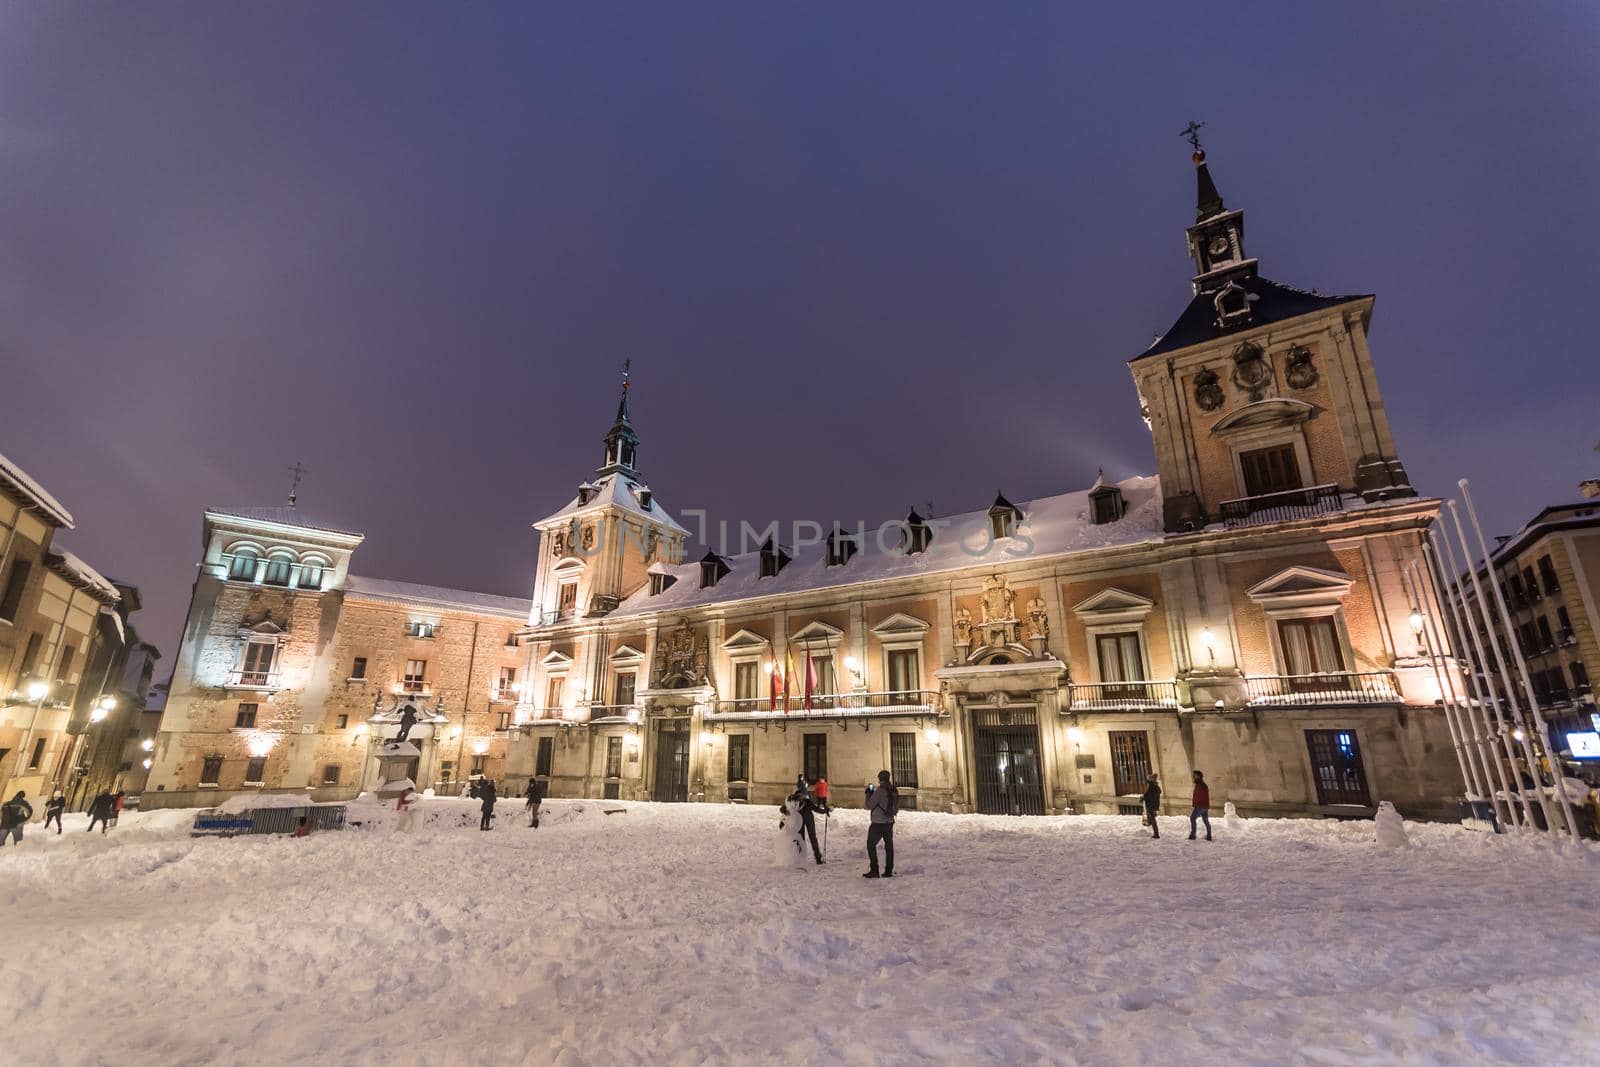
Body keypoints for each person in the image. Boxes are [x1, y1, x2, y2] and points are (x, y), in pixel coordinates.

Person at [864, 770, 897, 878]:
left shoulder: (880, 791)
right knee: (889, 846)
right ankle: (889, 870)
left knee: (870, 844)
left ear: (880, 778)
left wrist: (869, 794)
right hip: (890, 821)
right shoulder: (893, 789)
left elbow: (870, 804)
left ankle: (874, 870)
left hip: (878, 822)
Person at [787, 779, 824, 865]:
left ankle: (801, 857)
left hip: (800, 821)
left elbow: (783, 809)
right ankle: (817, 857)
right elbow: (816, 809)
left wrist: (825, 811)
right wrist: (825, 811)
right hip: (806, 820)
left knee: (801, 839)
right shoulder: (802, 802)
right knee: (810, 838)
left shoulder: (795, 802)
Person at [1189, 770, 1212, 841]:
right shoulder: (1200, 784)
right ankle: (1209, 836)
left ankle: (1193, 835)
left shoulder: (1201, 785)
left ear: (1199, 776)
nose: (1193, 776)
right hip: (1204, 806)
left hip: (1200, 806)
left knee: (1192, 818)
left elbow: (1200, 796)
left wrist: (1197, 806)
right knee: (1205, 820)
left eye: (1195, 775)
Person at [1142, 773, 1161, 839]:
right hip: (1154, 804)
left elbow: (1148, 795)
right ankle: (1155, 833)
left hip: (1151, 805)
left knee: (1152, 819)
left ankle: (1156, 834)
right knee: (1152, 817)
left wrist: (1143, 798)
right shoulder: (1155, 786)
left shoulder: (1151, 786)